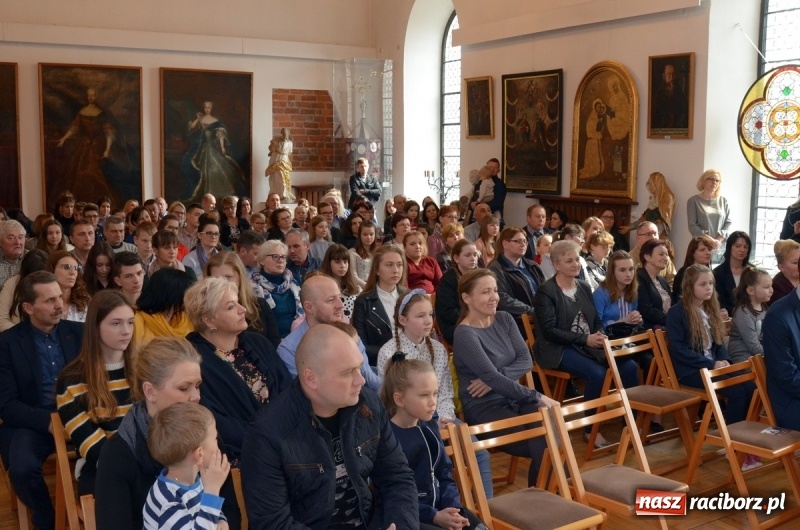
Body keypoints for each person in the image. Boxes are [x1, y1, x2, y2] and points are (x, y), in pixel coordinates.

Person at [241, 323, 418, 528]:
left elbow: (397, 476)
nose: (360, 380)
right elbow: (272, 522)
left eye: (359, 367)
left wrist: (400, 525)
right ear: (311, 379)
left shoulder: (368, 405)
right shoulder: (267, 433)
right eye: (347, 372)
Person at [94, 337, 241, 530]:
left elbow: (228, 507)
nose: (196, 396)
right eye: (183, 388)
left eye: (197, 386)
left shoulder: (204, 434)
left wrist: (223, 522)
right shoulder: (118, 453)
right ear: (150, 391)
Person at [455, 269, 558, 485]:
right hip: (485, 407)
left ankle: (546, 497)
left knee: (549, 420)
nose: (494, 297)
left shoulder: (504, 318)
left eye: (495, 290)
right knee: (546, 440)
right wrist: (535, 395)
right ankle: (550, 497)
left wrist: (494, 378)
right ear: (467, 298)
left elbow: (526, 360)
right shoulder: (464, 334)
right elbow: (495, 375)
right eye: (485, 292)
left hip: (513, 398)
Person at [0, 271, 84, 529]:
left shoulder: (80, 333)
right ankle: (45, 517)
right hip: (34, 419)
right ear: (28, 308)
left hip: (81, 414)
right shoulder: (7, 343)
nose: (59, 305)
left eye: (59, 297)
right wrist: (47, 421)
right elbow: (6, 404)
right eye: (49, 301)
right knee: (22, 469)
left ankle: (95, 509)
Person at [533, 240, 638, 446]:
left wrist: (599, 334)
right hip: (558, 348)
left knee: (629, 366)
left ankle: (632, 421)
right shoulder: (546, 291)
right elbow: (549, 331)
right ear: (556, 264)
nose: (575, 264)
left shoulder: (582, 286)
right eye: (568, 260)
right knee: (597, 374)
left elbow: (595, 319)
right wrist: (586, 339)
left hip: (586, 344)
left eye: (577, 259)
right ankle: (590, 428)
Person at [184, 277, 290, 463]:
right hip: (244, 457)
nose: (243, 310)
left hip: (286, 443)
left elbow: (288, 390)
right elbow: (215, 421)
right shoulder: (193, 361)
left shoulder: (258, 343)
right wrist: (268, 437)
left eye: (238, 302)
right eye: (231, 307)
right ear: (209, 320)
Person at [380, 355, 487, 530]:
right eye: (424, 395)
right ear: (399, 399)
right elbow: (390, 495)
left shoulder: (429, 426)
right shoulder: (388, 439)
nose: (433, 402)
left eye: (435, 394)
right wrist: (434, 516)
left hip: (443, 509)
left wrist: (453, 509)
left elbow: (444, 473)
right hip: (413, 517)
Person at [56, 291, 134, 495]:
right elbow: (93, 447)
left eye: (130, 322)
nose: (126, 331)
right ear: (95, 327)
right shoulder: (71, 380)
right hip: (103, 469)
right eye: (116, 323)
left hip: (151, 463)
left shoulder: (145, 370)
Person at [142, 402, 230, 530]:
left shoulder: (196, 479)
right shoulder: (167, 501)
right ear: (199, 454)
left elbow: (207, 511)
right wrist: (212, 490)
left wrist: (221, 521)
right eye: (215, 439)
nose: (218, 445)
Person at [55, 88, 127, 206]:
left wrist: (107, 150)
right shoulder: (82, 112)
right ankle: (81, 204)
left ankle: (103, 203)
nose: (91, 98)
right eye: (89, 96)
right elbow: (75, 128)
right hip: (85, 144)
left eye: (93, 96)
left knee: (93, 172)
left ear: (96, 96)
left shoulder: (102, 113)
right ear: (87, 97)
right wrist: (64, 139)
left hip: (99, 144)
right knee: (78, 171)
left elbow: (108, 132)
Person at [205, 251, 280, 348]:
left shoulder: (260, 305)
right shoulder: (206, 313)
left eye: (228, 277)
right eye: (216, 279)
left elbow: (274, 345)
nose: (222, 284)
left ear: (240, 277)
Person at [183, 101, 247, 203]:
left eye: (209, 107)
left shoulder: (215, 121)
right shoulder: (201, 119)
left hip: (213, 148)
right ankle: (206, 195)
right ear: (204, 108)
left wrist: (222, 148)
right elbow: (191, 128)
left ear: (211, 108)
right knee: (202, 168)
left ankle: (218, 194)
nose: (207, 109)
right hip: (202, 147)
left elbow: (220, 135)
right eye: (205, 107)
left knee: (217, 168)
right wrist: (198, 119)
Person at [352, 246, 407, 365]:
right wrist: (393, 353)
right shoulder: (363, 302)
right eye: (389, 265)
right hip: (381, 365)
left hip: (412, 360)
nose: (396, 270)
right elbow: (361, 346)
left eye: (399, 264)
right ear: (377, 270)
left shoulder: (410, 298)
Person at [488, 227, 544, 332]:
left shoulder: (532, 266)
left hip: (540, 319)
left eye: (525, 241)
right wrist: (532, 310)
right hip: (515, 323)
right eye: (518, 241)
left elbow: (546, 291)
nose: (523, 244)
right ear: (505, 244)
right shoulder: (496, 268)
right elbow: (503, 298)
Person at [249, 239, 303, 338]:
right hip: (272, 341)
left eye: (283, 257)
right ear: (261, 260)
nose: (281, 260)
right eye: (275, 256)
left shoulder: (295, 280)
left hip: (300, 336)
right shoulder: (252, 287)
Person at [133, 268, 195, 348]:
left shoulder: (186, 319)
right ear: (171, 295)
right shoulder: (137, 320)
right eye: (187, 294)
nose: (190, 298)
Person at [729, 267, 772, 364]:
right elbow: (754, 347)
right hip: (744, 361)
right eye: (766, 287)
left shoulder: (765, 309)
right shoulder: (743, 313)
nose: (771, 290)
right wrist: (775, 353)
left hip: (761, 358)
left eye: (771, 286)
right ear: (750, 291)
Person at [0, 249, 48, 332]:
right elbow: (2, 320)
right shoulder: (12, 284)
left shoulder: (53, 286)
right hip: (17, 335)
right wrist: (25, 334)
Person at [687, 169, 731, 258]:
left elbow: (728, 222)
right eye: (711, 179)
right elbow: (692, 226)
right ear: (703, 181)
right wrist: (710, 241)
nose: (714, 182)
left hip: (719, 247)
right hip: (701, 246)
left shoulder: (723, 201)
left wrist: (718, 241)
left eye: (717, 180)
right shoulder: (693, 201)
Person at [623, 172, 675, 239]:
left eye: (651, 184)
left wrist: (650, 234)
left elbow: (664, 222)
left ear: (657, 184)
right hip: (647, 235)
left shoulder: (667, 197)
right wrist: (629, 227)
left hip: (657, 238)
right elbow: (644, 218)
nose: (649, 186)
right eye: (649, 184)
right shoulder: (653, 199)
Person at [713, 231, 753, 314]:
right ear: (729, 247)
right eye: (738, 246)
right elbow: (719, 302)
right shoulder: (718, 273)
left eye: (746, 247)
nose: (742, 250)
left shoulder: (752, 271)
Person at [636, 239, 672, 330]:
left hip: (666, 327)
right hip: (649, 329)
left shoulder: (662, 280)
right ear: (647, 257)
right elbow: (646, 310)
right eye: (661, 254)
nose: (665, 258)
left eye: (666, 255)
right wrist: (672, 320)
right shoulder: (639, 278)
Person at [45, 250, 91, 323]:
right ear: (52, 269)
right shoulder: (42, 301)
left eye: (76, 268)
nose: (72, 272)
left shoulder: (84, 302)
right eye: (67, 267)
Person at [320, 244, 362, 320]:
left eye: (345, 262)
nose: (342, 266)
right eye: (337, 262)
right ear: (329, 263)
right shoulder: (322, 289)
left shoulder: (356, 289)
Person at [630, 221, 676, 287]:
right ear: (638, 238)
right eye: (648, 234)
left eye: (655, 234)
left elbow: (672, 281)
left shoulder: (665, 258)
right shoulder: (630, 259)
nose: (653, 237)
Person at [672, 235, 716, 303]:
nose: (708, 253)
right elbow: (678, 298)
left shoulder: (711, 273)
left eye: (709, 249)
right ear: (693, 254)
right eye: (702, 250)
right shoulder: (684, 273)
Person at [652, 63, 688, 129]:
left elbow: (682, 108)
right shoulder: (659, 93)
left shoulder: (678, 91)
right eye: (669, 74)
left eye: (673, 74)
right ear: (663, 76)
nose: (671, 77)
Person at [265, 128, 295, 201]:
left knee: (286, 177)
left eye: (286, 133)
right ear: (282, 134)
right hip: (276, 160)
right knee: (277, 177)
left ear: (288, 133)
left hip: (285, 160)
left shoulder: (290, 143)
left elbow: (290, 153)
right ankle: (278, 194)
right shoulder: (277, 141)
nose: (285, 134)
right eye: (283, 133)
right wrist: (273, 146)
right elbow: (271, 149)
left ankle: (285, 193)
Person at [0, 220, 28, 291]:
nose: (17, 242)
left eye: (21, 237)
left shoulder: (32, 258)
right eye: (11, 238)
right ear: (0, 241)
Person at [349, 220, 378, 287]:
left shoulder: (378, 252)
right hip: (359, 287)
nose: (368, 237)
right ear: (360, 235)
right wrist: (367, 286)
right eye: (365, 234)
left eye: (371, 234)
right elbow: (353, 275)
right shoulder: (352, 252)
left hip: (376, 286)